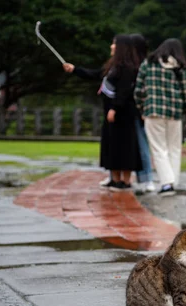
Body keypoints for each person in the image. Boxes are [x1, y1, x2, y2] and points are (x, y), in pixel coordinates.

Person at [64, 35, 142, 190]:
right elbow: (94, 74)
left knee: (124, 146)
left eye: (114, 44)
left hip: (123, 114)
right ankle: (115, 178)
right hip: (110, 112)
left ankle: (125, 181)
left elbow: (124, 91)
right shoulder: (112, 66)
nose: (111, 47)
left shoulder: (127, 68)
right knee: (112, 145)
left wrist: (114, 108)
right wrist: (75, 70)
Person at [134, 38, 186, 196]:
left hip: (153, 111)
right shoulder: (180, 68)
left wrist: (141, 107)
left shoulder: (148, 64)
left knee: (159, 148)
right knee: (174, 148)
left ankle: (167, 184)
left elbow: (138, 89)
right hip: (175, 113)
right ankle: (173, 181)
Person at [129, 33, 156, 193]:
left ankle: (147, 178)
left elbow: (143, 90)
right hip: (132, 109)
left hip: (140, 111)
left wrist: (142, 108)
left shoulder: (144, 65)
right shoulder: (132, 64)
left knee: (142, 145)